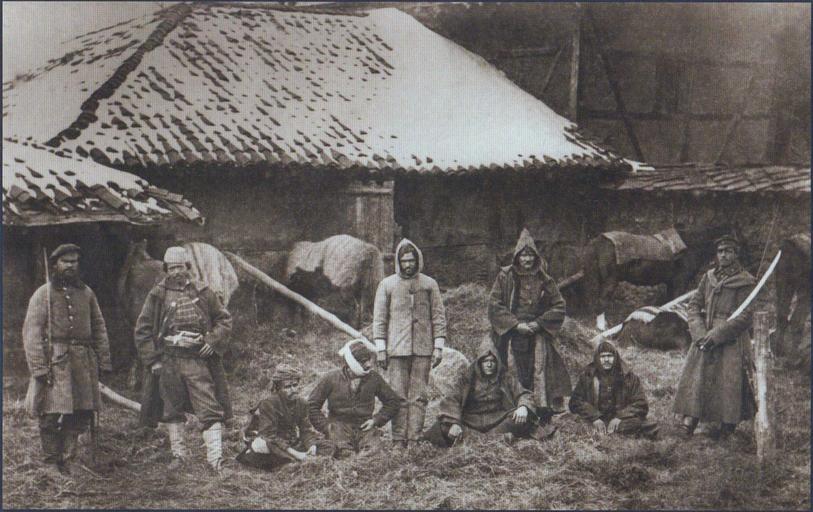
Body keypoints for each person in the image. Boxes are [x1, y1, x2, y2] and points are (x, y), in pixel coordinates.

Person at [134, 246, 233, 473]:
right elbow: (143, 330)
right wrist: (153, 360)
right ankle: (179, 455)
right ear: (166, 269)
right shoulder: (157, 295)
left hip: (197, 360)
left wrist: (212, 341)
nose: (176, 271)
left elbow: (224, 320)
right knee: (171, 408)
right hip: (169, 360)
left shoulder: (203, 291)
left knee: (209, 407)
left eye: (180, 267)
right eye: (171, 268)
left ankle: (216, 459)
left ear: (187, 267)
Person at [23, 244, 113, 478]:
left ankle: (69, 458)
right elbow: (31, 332)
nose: (71, 266)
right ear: (55, 265)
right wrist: (39, 366)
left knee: (81, 412)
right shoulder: (43, 294)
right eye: (66, 262)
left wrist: (104, 361)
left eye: (75, 261)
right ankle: (50, 462)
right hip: (55, 361)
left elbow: (99, 327)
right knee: (50, 413)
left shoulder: (87, 293)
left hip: (82, 361)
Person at [673, 234, 756, 442]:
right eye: (720, 251)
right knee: (697, 376)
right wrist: (699, 332)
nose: (723, 255)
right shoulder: (708, 277)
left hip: (731, 338)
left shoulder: (746, 281)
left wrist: (718, 334)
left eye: (728, 251)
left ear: (736, 254)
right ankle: (690, 420)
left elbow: (746, 316)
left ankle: (727, 425)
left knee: (729, 380)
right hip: (704, 334)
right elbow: (693, 305)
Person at [373, 238, 447, 447]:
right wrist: (381, 348)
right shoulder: (387, 285)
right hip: (397, 349)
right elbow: (379, 319)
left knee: (419, 396)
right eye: (404, 261)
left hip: (423, 349)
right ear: (398, 262)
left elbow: (438, 316)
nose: (408, 265)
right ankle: (398, 439)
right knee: (398, 396)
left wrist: (438, 346)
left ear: (418, 261)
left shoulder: (429, 284)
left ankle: (414, 438)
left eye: (411, 260)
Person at [488, 228, 570, 414]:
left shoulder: (544, 279)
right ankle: (512, 405)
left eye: (530, 255)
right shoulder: (505, 276)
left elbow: (559, 305)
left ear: (536, 257)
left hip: (536, 331)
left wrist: (538, 323)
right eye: (523, 255)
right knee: (507, 367)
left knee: (540, 369)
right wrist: (516, 325)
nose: (527, 259)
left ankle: (540, 408)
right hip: (510, 332)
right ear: (517, 257)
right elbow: (494, 304)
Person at [424, 337, 548, 447]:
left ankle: (474, 440)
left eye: (492, 361)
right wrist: (454, 423)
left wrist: (523, 407)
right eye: (485, 361)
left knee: (521, 418)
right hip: (471, 420)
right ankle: (496, 439)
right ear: (479, 363)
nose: (489, 365)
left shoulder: (505, 376)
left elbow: (523, 393)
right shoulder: (468, 377)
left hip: (498, 419)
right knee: (443, 426)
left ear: (497, 362)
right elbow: (452, 399)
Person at [308, 339, 404, 457]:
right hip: (339, 427)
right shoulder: (331, 378)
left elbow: (393, 401)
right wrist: (326, 427)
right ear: (352, 362)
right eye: (363, 362)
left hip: (364, 426)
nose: (368, 365)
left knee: (374, 453)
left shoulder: (374, 378)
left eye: (368, 360)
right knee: (343, 453)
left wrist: (376, 420)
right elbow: (311, 405)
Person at [236, 363, 333, 470]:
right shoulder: (268, 404)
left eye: (295, 385)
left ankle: (293, 460)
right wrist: (297, 454)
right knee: (264, 445)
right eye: (287, 387)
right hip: (273, 444)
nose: (293, 390)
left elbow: (306, 429)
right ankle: (292, 460)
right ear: (278, 388)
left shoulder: (302, 403)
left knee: (329, 446)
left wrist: (311, 445)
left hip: (291, 443)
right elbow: (268, 436)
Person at [569, 340, 659, 439]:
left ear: (615, 357)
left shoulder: (628, 377)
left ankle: (615, 430)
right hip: (596, 418)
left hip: (622, 420)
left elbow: (641, 403)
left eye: (610, 356)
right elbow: (575, 401)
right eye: (603, 357)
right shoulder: (588, 376)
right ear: (597, 358)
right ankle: (608, 430)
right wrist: (595, 417)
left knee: (647, 424)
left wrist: (620, 417)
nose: (606, 360)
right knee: (576, 422)